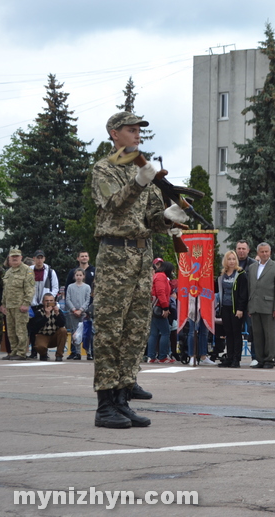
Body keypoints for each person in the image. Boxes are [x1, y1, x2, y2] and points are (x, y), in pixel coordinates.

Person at [91, 111, 186, 429]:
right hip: (115, 257)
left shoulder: (145, 176)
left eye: (139, 131)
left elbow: (153, 220)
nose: (137, 135)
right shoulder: (105, 169)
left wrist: (172, 217)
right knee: (109, 331)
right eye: (131, 130)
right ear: (114, 134)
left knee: (134, 331)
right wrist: (140, 179)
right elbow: (114, 204)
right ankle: (105, 404)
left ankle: (123, 398)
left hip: (143, 258)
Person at [246, 242, 275, 369]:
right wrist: (249, 306)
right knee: (257, 334)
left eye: (266, 251)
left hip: (269, 305)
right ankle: (260, 359)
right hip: (255, 305)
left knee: (269, 334)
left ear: (270, 252)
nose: (264, 254)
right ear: (258, 253)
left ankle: (269, 359)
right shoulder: (252, 267)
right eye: (262, 252)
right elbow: (250, 287)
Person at [0, 249, 35, 360]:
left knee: (20, 330)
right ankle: (13, 351)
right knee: (11, 331)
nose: (14, 258)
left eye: (17, 256)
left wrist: (26, 303)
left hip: (20, 306)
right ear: (9, 258)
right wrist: (3, 304)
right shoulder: (9, 272)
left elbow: (30, 289)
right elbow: (6, 290)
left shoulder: (27, 270)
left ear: (21, 257)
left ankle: (21, 353)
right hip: (9, 306)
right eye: (12, 257)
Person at [217, 250, 248, 368]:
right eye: (229, 259)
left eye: (233, 259)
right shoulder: (222, 275)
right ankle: (229, 358)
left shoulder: (240, 274)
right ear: (225, 261)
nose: (231, 261)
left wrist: (241, 309)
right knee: (228, 333)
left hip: (236, 309)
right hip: (225, 307)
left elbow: (243, 293)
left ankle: (236, 359)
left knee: (236, 333)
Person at [28, 250, 59, 358]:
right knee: (32, 328)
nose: (39, 260)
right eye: (37, 258)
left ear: (44, 259)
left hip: (44, 304)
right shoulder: (29, 271)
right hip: (32, 304)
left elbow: (55, 287)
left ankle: (43, 352)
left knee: (43, 326)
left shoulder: (50, 271)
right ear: (34, 259)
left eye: (41, 258)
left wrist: (49, 298)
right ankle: (33, 352)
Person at [65, 251, 96, 360]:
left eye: (86, 256)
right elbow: (67, 297)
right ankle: (75, 352)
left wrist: (84, 309)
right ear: (78, 258)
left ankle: (89, 352)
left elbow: (89, 297)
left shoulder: (93, 271)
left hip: (87, 310)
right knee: (74, 332)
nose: (84, 258)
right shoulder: (71, 283)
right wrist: (73, 309)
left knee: (88, 332)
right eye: (82, 256)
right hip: (73, 312)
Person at [147, 261, 174, 364]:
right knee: (165, 332)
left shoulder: (157, 276)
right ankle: (162, 356)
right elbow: (161, 292)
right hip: (160, 307)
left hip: (154, 307)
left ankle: (151, 356)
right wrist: (165, 307)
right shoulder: (161, 277)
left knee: (153, 333)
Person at [29, 293, 67, 361]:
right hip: (43, 335)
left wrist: (57, 314)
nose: (49, 302)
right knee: (39, 346)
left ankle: (59, 355)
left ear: (54, 301)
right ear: (43, 302)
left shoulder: (58, 311)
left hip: (54, 336)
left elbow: (62, 324)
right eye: (47, 301)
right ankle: (43, 354)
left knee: (63, 330)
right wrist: (46, 316)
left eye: (51, 301)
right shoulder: (39, 312)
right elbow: (35, 327)